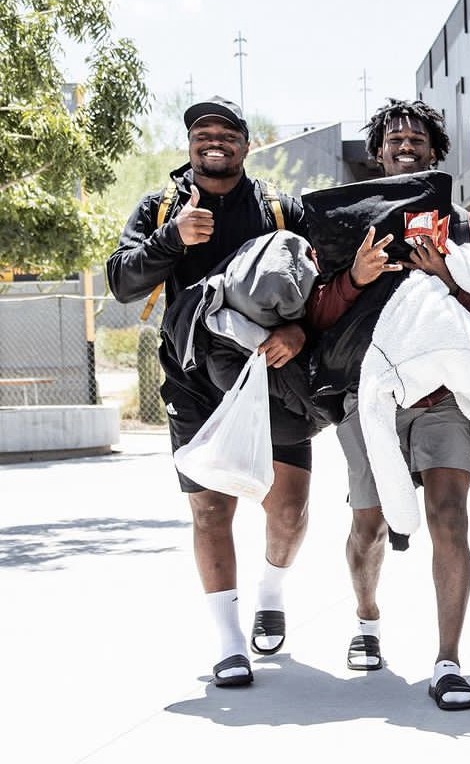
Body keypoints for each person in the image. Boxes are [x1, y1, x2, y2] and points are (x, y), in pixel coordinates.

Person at [108, 97, 313, 688]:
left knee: (290, 510)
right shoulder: (163, 207)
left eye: (226, 132)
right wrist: (171, 240)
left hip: (275, 374)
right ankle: (228, 643)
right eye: (202, 132)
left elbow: (318, 282)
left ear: (246, 145)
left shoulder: (279, 208)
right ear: (190, 146)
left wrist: (299, 330)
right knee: (209, 507)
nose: (213, 140)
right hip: (193, 379)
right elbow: (122, 281)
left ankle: (270, 593)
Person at [306, 99, 470, 710]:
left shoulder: (466, 227)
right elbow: (318, 316)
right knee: (369, 521)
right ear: (378, 153)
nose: (406, 145)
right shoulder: (351, 222)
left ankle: (448, 660)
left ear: (435, 153)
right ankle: (366, 619)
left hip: (443, 398)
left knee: (449, 515)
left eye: (418, 138)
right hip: (369, 397)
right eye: (395, 139)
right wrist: (356, 277)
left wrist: (449, 274)